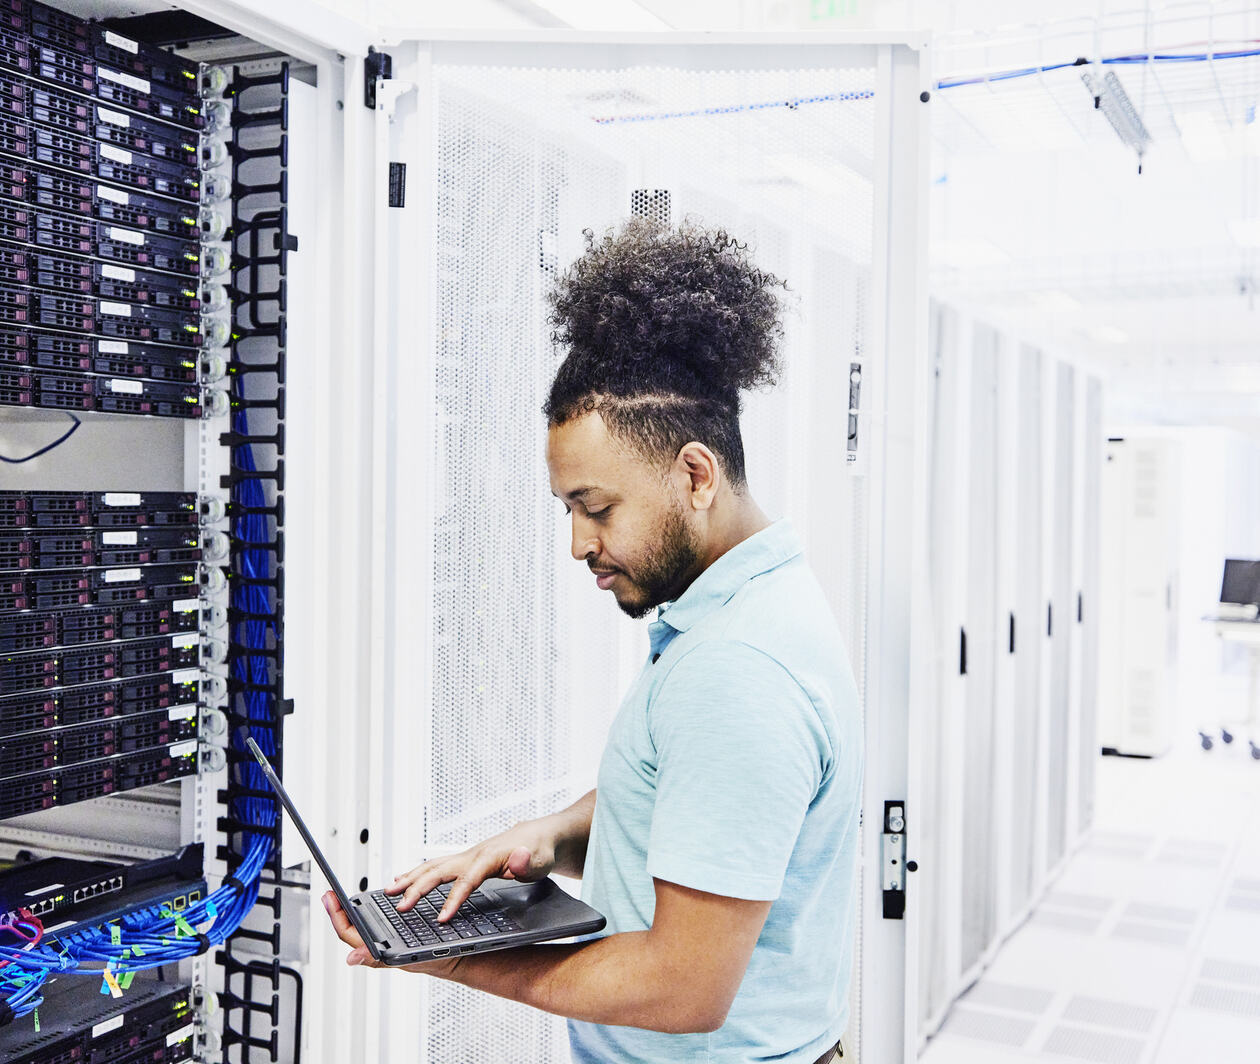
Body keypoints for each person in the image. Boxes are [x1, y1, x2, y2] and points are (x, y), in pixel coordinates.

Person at [324, 219, 862, 1063]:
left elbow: (683, 986)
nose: (578, 544)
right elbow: (699, 806)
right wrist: (552, 836)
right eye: (570, 510)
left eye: (596, 508)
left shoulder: (738, 671)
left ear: (694, 475)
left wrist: (459, 956)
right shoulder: (751, 603)